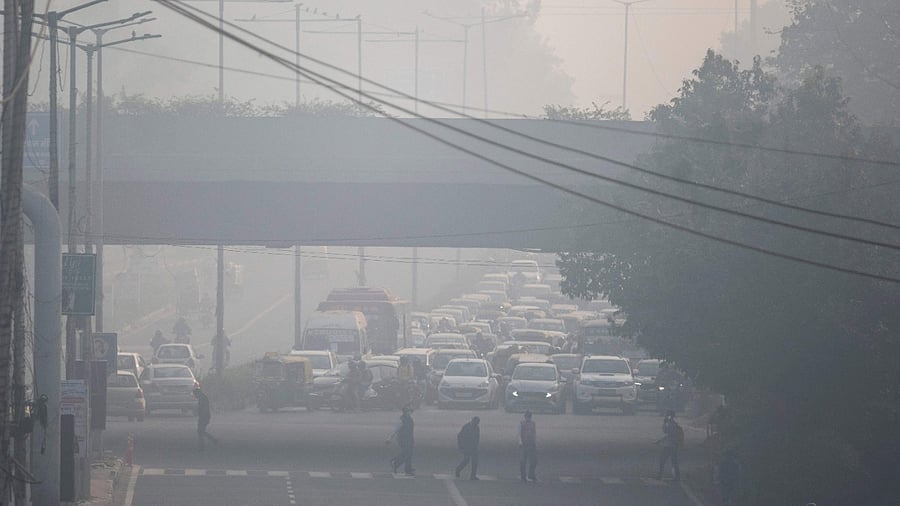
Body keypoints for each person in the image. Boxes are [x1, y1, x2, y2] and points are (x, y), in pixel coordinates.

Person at [387, 406, 415, 476]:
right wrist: (389, 438)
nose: (411, 412)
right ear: (405, 412)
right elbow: (396, 429)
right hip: (403, 439)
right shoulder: (402, 420)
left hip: (409, 438)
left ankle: (404, 467)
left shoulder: (409, 418)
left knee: (409, 454)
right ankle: (397, 463)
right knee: (406, 453)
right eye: (409, 411)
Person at [656, 410, 682, 481]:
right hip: (672, 445)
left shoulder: (672, 424)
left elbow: (666, 431)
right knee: (673, 461)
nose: (666, 416)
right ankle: (677, 476)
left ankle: (660, 475)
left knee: (663, 460)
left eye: (667, 415)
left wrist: (664, 423)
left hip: (670, 445)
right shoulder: (673, 424)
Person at [518, 411, 538, 483]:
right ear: (525, 417)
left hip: (531, 444)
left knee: (533, 460)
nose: (528, 419)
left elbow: (534, 433)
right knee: (523, 461)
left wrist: (535, 442)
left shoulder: (533, 423)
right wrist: (520, 442)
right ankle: (523, 475)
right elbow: (519, 433)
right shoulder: (521, 423)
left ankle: (531, 474)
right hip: (524, 444)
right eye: (527, 417)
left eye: (529, 417)